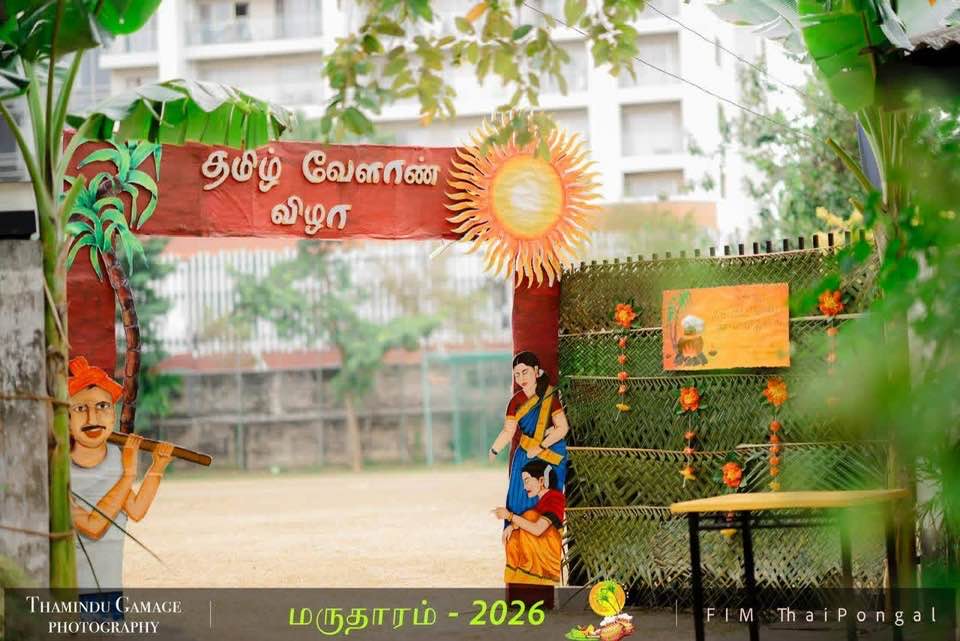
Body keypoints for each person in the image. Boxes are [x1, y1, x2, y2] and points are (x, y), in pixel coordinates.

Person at [68, 356, 175, 602]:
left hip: (108, 587)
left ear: (112, 415)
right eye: (81, 409)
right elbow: (93, 527)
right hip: (73, 591)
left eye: (103, 406)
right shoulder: (59, 468)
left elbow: (135, 510)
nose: (93, 418)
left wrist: (157, 468)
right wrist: (128, 474)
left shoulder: (114, 458)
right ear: (66, 419)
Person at [488, 351, 570, 518]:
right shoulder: (515, 402)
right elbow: (508, 431)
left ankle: (546, 534)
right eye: (517, 374)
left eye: (525, 372)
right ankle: (519, 532)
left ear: (536, 370)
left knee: (547, 504)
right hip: (525, 455)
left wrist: (540, 447)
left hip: (550, 454)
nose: (521, 378)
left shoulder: (550, 397)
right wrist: (495, 449)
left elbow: (562, 428)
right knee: (519, 500)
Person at [492, 459, 565, 585]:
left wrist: (510, 516)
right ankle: (518, 581)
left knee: (529, 516)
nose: (525, 487)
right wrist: (513, 526)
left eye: (527, 480)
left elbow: (537, 529)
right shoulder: (541, 502)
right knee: (513, 538)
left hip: (548, 554)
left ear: (541, 481)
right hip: (540, 548)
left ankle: (531, 578)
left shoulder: (555, 498)